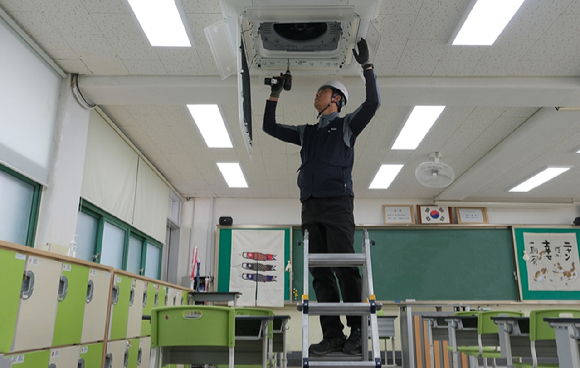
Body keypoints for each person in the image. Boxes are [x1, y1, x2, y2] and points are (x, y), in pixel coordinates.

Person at [262, 39, 381, 356]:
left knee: (344, 267)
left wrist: (367, 67)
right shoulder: (306, 132)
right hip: (310, 205)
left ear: (337, 99)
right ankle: (333, 336)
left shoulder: (345, 126)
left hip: (338, 204)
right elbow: (269, 126)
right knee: (320, 272)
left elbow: (372, 105)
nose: (316, 95)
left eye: (322, 91)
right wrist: (274, 93)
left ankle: (357, 332)